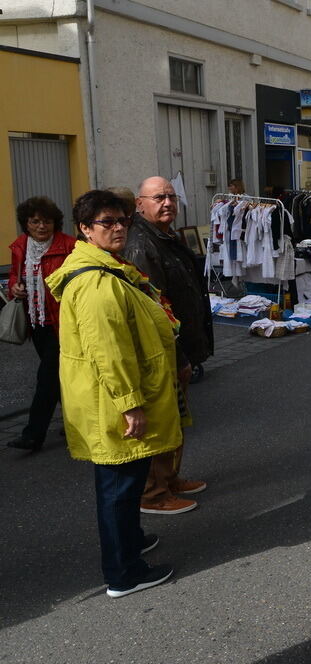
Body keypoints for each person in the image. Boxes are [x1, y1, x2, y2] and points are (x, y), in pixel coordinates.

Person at [45, 189, 180, 598]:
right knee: (119, 488)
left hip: (108, 397)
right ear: (85, 230)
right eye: (107, 222)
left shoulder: (107, 268)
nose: (118, 228)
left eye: (122, 220)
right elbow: (109, 352)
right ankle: (124, 573)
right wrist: (130, 405)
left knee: (125, 482)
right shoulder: (97, 284)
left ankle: (130, 542)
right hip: (112, 401)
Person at [122, 176, 210, 515]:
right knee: (161, 422)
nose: (168, 203)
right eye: (159, 197)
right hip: (165, 353)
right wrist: (177, 356)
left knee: (175, 418)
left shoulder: (164, 236)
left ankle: (170, 479)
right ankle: (154, 493)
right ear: (140, 204)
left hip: (179, 348)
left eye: (171, 196)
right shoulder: (142, 245)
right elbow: (155, 310)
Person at [6, 197, 77, 451]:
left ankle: (33, 434)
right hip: (36, 323)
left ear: (54, 222)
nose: (41, 226)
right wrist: (14, 286)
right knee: (57, 378)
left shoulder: (69, 245)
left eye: (46, 221)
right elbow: (15, 274)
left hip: (62, 322)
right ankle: (76, 424)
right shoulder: (20, 247)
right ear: (26, 223)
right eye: (35, 221)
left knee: (46, 378)